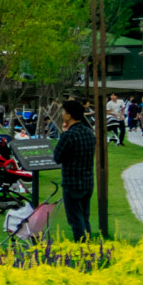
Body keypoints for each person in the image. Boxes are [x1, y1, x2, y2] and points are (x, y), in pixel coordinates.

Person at [55, 99, 97, 241]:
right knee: (84, 217)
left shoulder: (68, 136)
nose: (62, 114)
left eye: (64, 112)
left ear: (69, 115)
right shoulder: (89, 132)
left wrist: (63, 133)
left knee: (75, 219)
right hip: (87, 181)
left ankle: (82, 248)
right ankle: (89, 246)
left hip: (72, 183)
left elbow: (57, 157)